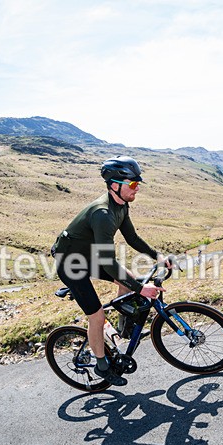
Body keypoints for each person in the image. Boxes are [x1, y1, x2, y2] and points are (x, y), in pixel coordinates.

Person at [52, 156, 172, 386]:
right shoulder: (103, 214)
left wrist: (157, 256)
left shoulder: (121, 205)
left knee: (127, 281)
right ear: (115, 185)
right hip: (70, 263)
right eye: (133, 184)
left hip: (87, 256)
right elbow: (107, 261)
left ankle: (119, 332)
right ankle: (101, 365)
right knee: (96, 316)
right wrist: (141, 289)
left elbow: (133, 238)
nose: (137, 189)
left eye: (138, 184)